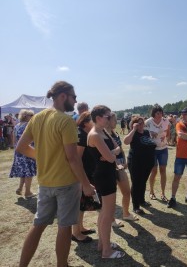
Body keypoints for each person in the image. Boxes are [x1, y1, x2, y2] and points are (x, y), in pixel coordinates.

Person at [16, 81, 95, 267]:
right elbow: (73, 159)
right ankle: (62, 265)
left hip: (45, 183)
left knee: (38, 225)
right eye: (74, 97)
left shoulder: (37, 118)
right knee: (64, 227)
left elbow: (21, 147)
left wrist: (43, 158)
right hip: (66, 183)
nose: (75, 101)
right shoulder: (65, 120)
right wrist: (85, 184)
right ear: (63, 96)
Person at [87, 105, 125, 259]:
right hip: (103, 176)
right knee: (108, 214)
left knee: (105, 212)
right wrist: (110, 154)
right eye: (108, 116)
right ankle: (106, 251)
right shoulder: (95, 134)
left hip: (107, 173)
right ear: (98, 118)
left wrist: (111, 154)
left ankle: (102, 244)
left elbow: (118, 148)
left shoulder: (102, 131)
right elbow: (111, 157)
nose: (110, 119)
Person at [71, 111, 100, 243]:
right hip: (83, 174)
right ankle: (76, 233)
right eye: (93, 120)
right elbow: (77, 158)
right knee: (79, 203)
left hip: (87, 172)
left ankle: (80, 228)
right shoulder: (82, 135)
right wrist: (83, 180)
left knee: (82, 204)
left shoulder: (85, 134)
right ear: (86, 122)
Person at [106, 112, 139, 222]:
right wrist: (117, 162)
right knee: (111, 195)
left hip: (120, 164)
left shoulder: (115, 133)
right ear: (108, 120)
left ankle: (126, 213)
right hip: (110, 165)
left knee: (126, 191)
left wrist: (124, 162)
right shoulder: (104, 135)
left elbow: (120, 149)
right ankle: (111, 219)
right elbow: (107, 153)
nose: (116, 122)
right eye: (114, 120)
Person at [124, 116, 156, 215]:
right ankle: (135, 206)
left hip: (147, 162)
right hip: (135, 162)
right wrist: (133, 129)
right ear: (134, 125)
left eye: (142, 123)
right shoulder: (133, 133)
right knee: (136, 183)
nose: (142, 125)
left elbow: (148, 143)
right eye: (139, 123)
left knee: (143, 181)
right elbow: (125, 142)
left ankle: (142, 200)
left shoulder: (146, 132)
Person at [167, 107, 187, 208]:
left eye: (185, 114)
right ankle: (173, 198)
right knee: (177, 177)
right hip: (180, 156)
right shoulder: (179, 124)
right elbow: (181, 135)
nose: (182, 116)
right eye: (182, 114)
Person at [145, 104, 170, 201]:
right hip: (152, 150)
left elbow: (168, 132)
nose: (160, 115)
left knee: (163, 170)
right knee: (154, 171)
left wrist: (166, 139)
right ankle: (151, 192)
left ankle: (163, 193)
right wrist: (151, 134)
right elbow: (144, 135)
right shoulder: (148, 122)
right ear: (154, 113)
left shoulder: (165, 121)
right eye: (157, 113)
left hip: (163, 149)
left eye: (161, 113)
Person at [9, 109, 37, 198]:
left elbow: (14, 140)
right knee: (29, 172)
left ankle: (20, 188)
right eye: (31, 116)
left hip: (19, 151)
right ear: (26, 116)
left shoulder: (17, 125)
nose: (33, 117)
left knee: (23, 172)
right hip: (27, 150)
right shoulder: (28, 125)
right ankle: (28, 192)